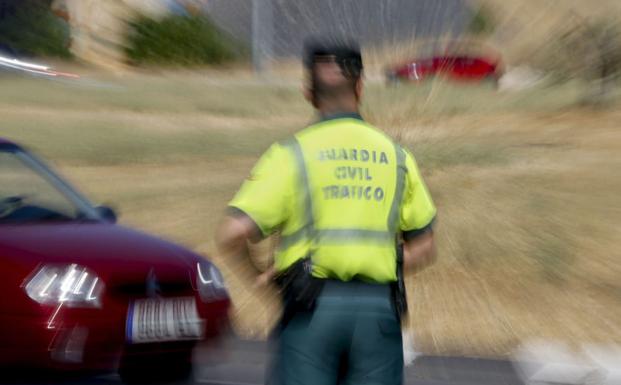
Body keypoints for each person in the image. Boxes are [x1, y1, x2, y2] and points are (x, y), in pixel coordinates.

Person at [216, 38, 437, 385]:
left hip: (311, 312)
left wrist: (261, 276)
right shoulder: (396, 157)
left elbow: (232, 233)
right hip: (378, 313)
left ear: (309, 93)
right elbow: (425, 247)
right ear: (361, 87)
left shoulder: (292, 155)